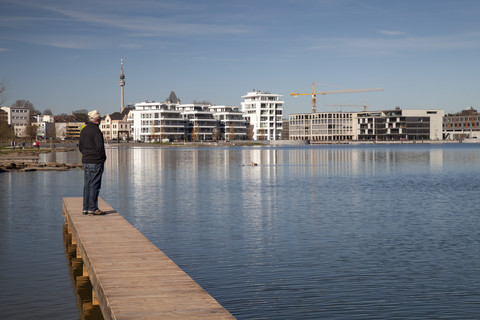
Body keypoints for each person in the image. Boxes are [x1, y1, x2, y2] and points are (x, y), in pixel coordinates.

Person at [79, 110, 106, 215]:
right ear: (97, 119)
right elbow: (100, 148)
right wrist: (103, 158)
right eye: (99, 118)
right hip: (96, 161)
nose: (100, 120)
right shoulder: (96, 131)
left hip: (86, 161)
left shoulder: (84, 130)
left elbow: (80, 146)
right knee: (95, 185)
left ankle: (85, 208)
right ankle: (93, 208)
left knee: (87, 185)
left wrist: (86, 155)